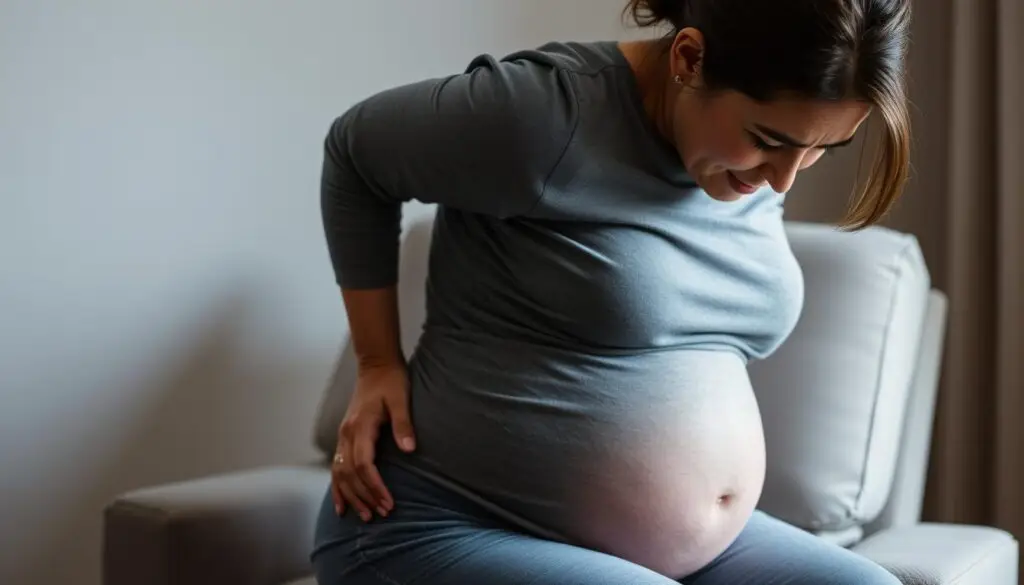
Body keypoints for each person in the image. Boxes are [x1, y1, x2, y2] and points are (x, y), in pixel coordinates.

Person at [312, 0, 912, 583]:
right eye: (769, 138)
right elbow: (356, 152)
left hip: (682, 554)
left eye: (819, 149)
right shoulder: (545, 115)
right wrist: (376, 361)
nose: (784, 177)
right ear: (688, 58)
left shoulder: (743, 163)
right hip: (444, 524)